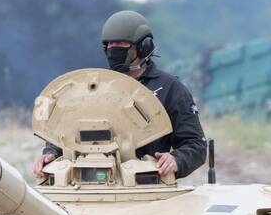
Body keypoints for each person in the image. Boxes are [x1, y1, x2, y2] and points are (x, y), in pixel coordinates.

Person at [33, 10, 206, 181]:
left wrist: (176, 159)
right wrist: (50, 153)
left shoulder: (169, 88)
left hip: (145, 184)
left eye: (121, 45)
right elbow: (67, 132)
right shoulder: (94, 87)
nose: (113, 49)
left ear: (143, 47)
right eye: (109, 45)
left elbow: (195, 145)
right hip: (84, 184)